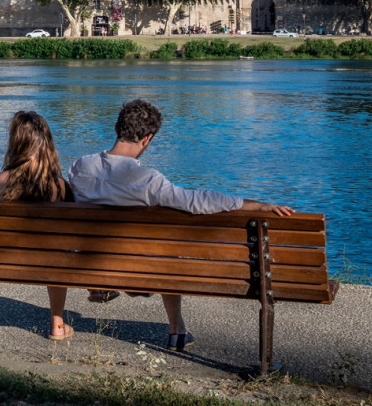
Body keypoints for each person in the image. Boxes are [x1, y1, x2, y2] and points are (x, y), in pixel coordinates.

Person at [66, 99, 294, 351]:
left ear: (116, 129)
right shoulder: (148, 180)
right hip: (143, 267)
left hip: (93, 262)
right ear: (148, 139)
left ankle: (112, 285)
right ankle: (176, 331)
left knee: (159, 248)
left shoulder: (79, 167)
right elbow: (197, 202)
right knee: (167, 251)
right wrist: (253, 204)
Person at [0, 111, 75, 341]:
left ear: (15, 143)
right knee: (58, 251)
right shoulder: (60, 187)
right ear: (46, 144)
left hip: (2, 261)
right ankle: (57, 324)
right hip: (49, 262)